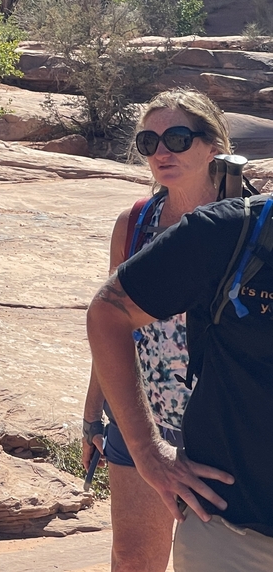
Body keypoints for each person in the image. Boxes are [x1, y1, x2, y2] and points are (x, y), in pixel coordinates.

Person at [87, 120, 273, 567]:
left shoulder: (236, 218)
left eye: (176, 139)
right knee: (134, 556)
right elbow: (111, 317)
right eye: (148, 142)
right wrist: (98, 414)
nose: (161, 152)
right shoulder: (226, 231)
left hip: (200, 413)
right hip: (153, 413)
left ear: (214, 147)